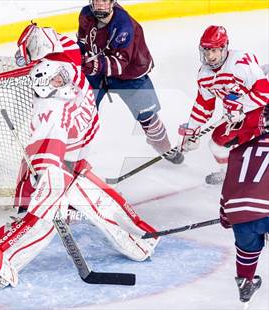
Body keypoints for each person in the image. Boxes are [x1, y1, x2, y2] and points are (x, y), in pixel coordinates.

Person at [0, 28, 160, 288]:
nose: (61, 80)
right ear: (44, 85)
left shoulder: (68, 65)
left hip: (74, 162)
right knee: (43, 219)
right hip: (56, 166)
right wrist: (48, 176)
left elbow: (66, 47)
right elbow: (47, 149)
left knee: (102, 202)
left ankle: (140, 239)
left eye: (61, 77)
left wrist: (39, 40)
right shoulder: (49, 110)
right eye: (55, 80)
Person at [77, 0, 184, 164]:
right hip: (97, 70)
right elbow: (82, 45)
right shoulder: (85, 14)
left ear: (112, 2)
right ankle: (75, 156)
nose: (100, 5)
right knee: (83, 111)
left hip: (130, 73)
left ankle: (164, 147)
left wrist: (94, 64)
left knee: (148, 117)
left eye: (104, 0)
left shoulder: (124, 25)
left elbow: (120, 64)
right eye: (96, 0)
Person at [179, 25, 269, 184]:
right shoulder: (204, 75)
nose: (209, 56)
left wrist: (240, 106)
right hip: (239, 117)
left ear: (224, 48)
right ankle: (229, 174)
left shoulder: (240, 63)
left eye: (214, 50)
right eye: (206, 50)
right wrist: (192, 131)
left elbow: (264, 93)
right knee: (216, 145)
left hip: (263, 110)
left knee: (260, 147)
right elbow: (203, 105)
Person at [219, 104, 268, 305]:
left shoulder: (238, 151)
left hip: (240, 214)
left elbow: (228, 187)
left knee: (247, 249)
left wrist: (225, 216)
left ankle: (245, 284)